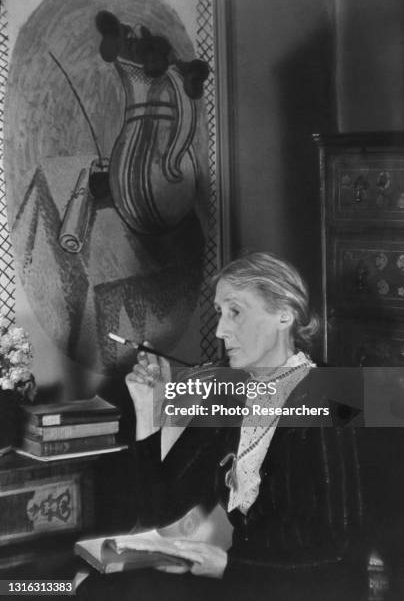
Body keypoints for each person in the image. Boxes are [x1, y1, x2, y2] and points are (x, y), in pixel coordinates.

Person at [79, 252, 368, 601]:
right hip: (242, 580)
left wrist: (229, 566)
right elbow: (161, 506)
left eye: (235, 312)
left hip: (301, 589)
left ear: (284, 314)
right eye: (219, 313)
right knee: (98, 588)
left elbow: (335, 547)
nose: (220, 330)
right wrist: (149, 409)